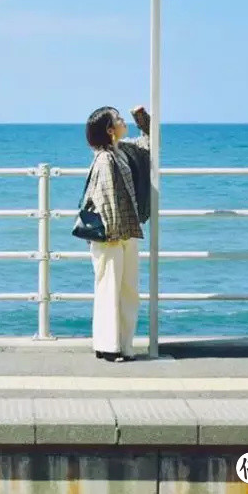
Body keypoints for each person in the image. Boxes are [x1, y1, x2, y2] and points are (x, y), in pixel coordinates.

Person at [82, 105, 151, 362]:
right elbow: (103, 199)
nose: (124, 122)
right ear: (110, 130)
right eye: (119, 119)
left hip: (124, 232)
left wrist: (141, 116)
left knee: (124, 289)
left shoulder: (120, 152)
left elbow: (150, 142)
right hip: (113, 235)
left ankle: (117, 345)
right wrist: (116, 235)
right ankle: (111, 346)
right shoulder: (105, 159)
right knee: (113, 288)